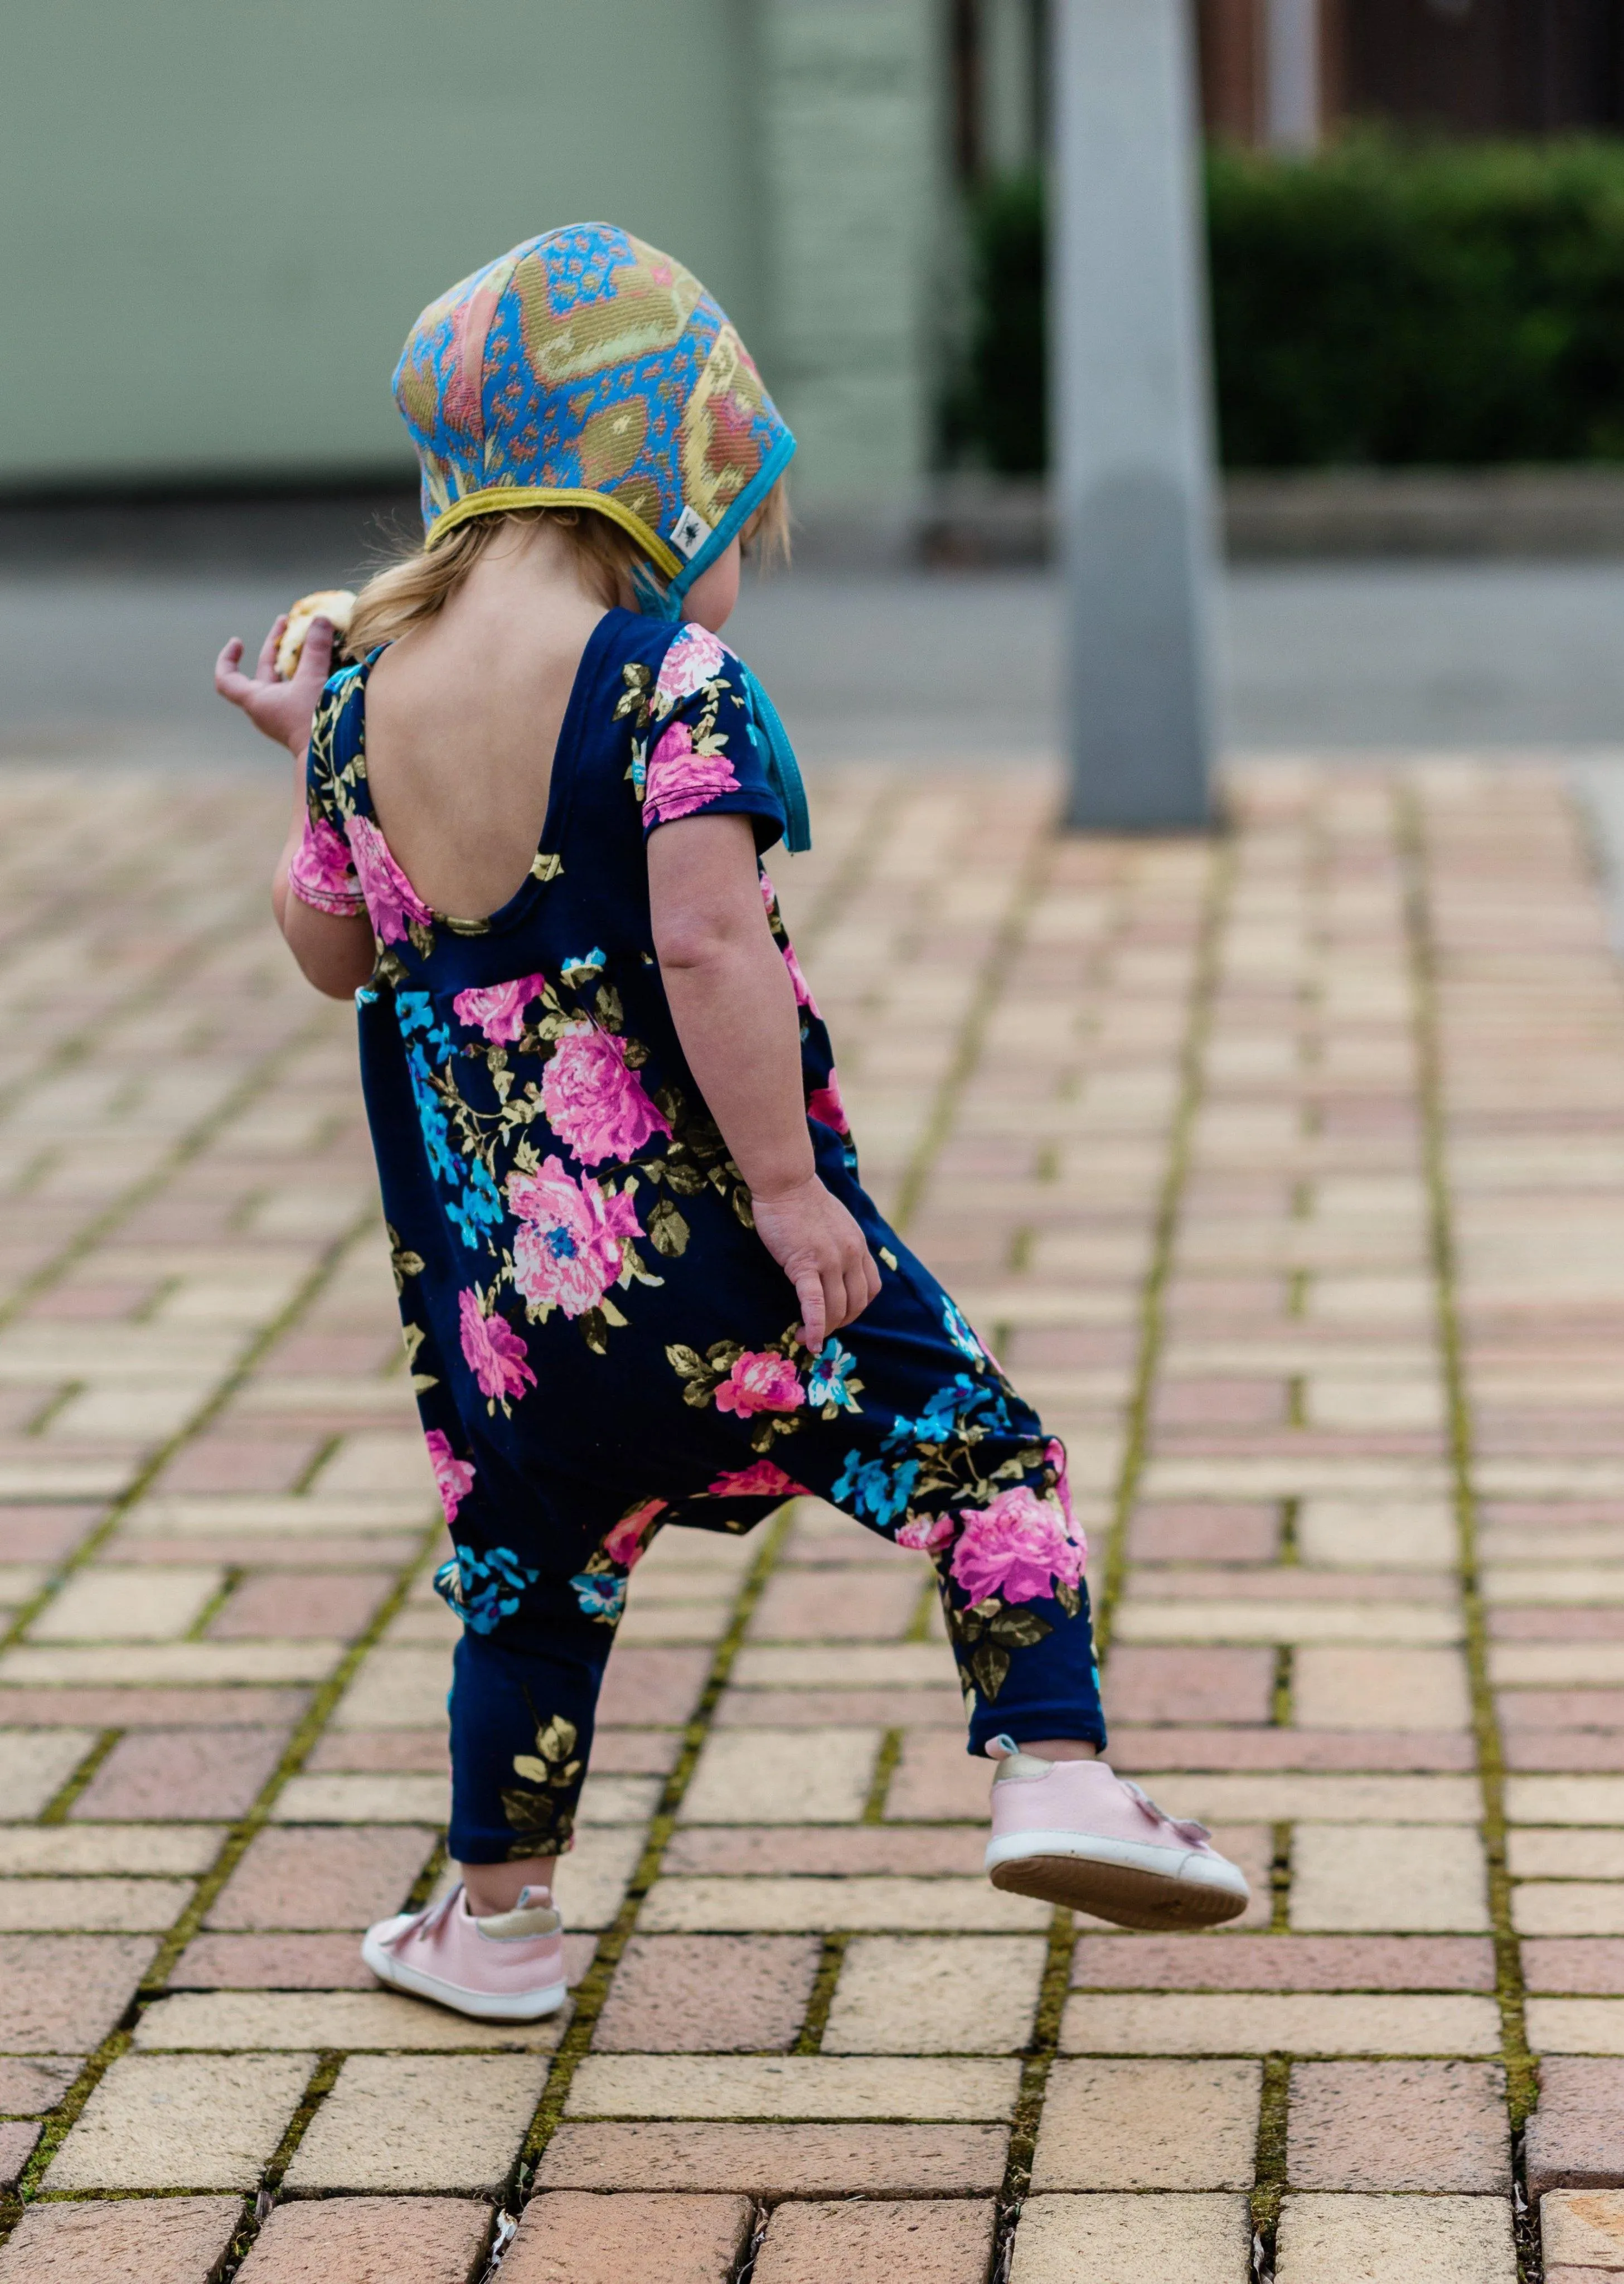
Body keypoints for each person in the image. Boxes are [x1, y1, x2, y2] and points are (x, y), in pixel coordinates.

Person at [215, 224, 1247, 2023]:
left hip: (515, 1318)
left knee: (526, 1586)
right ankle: (1058, 1769)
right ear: (664, 471)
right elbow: (705, 940)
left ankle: (497, 1930)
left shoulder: (364, 708)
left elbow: (328, 951)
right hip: (724, 1262)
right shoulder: (669, 687)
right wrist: (786, 1189)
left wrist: (316, 757)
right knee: (981, 1456)